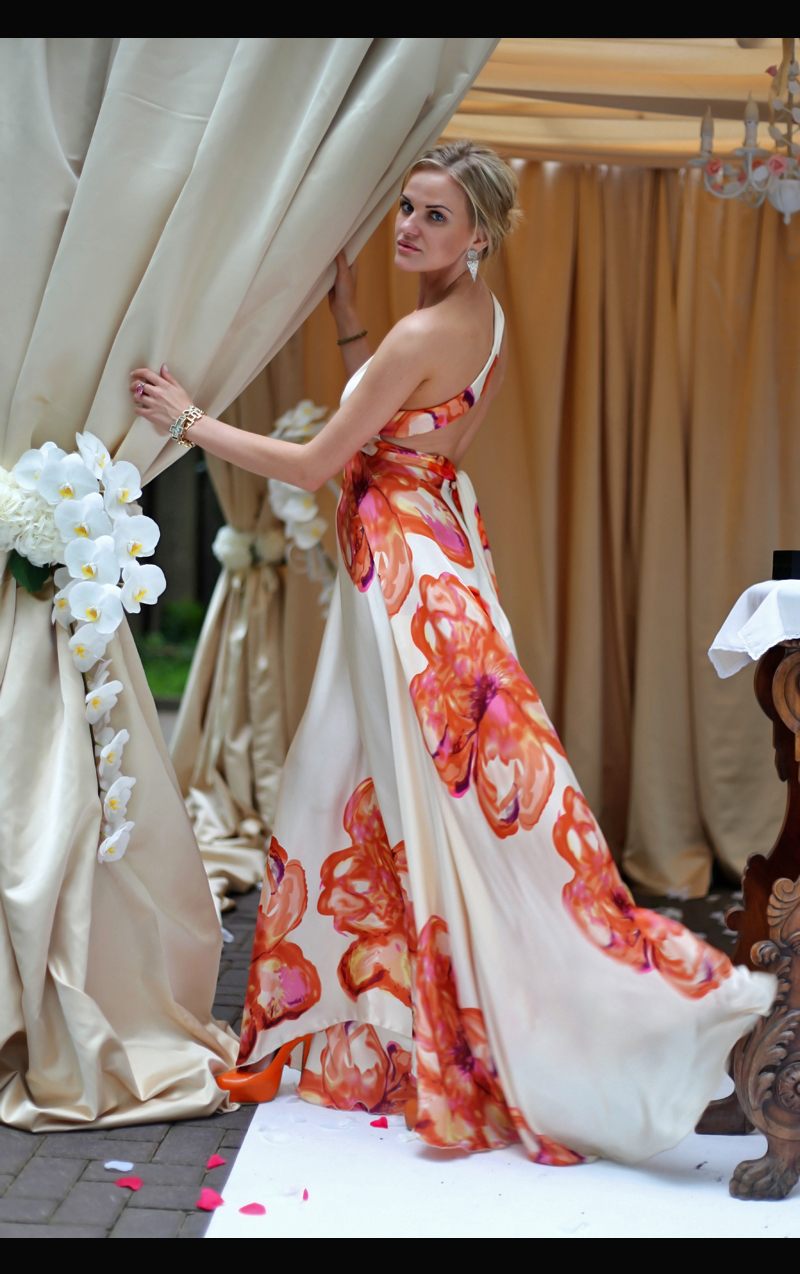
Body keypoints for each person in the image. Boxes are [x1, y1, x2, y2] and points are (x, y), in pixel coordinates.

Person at [130, 141, 775, 1166]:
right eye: (406, 208)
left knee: (401, 803)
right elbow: (404, 427)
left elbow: (316, 463)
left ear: (479, 233)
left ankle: (499, 1020)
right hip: (435, 564)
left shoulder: (425, 329)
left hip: (405, 594)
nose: (408, 228)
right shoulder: (481, 319)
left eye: (434, 216)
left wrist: (189, 421)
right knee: (371, 794)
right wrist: (349, 318)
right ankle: (378, 1017)